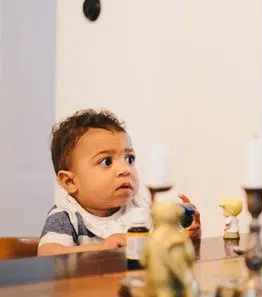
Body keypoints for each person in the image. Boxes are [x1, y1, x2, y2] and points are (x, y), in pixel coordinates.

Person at [38, 109, 202, 255]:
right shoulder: (67, 217)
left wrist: (187, 234)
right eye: (107, 162)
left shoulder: (140, 208)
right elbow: (48, 255)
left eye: (129, 159)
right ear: (69, 182)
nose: (125, 169)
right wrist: (102, 248)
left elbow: (164, 246)